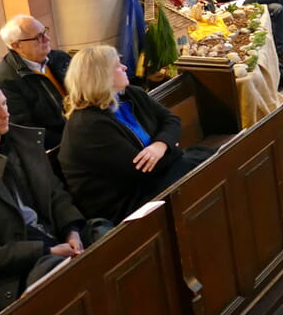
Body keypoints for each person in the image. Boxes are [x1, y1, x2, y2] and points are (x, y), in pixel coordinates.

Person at [0, 80, 93, 315]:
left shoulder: (23, 142)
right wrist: (46, 250)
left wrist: (72, 230)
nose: (5, 113)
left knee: (107, 234)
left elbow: (55, 194)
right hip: (15, 274)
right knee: (63, 275)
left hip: (55, 238)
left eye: (5, 104)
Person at [59, 46, 197, 223]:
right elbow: (140, 169)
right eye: (117, 65)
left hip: (154, 177)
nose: (125, 67)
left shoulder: (131, 94)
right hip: (125, 203)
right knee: (199, 166)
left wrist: (161, 145)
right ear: (101, 77)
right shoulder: (87, 125)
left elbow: (171, 119)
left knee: (206, 161)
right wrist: (172, 146)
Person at [0, 15, 71, 150]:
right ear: (17, 46)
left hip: (82, 129)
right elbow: (27, 132)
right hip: (58, 147)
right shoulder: (6, 82)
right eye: (38, 37)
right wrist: (71, 141)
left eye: (45, 32)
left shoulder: (60, 58)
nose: (47, 39)